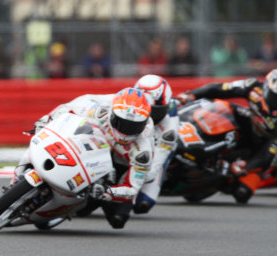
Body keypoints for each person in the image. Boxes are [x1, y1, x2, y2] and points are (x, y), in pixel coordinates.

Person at [23, 87, 154, 229]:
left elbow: (132, 188)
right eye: (122, 124)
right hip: (92, 141)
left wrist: (107, 192)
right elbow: (66, 109)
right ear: (112, 115)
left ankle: (72, 208)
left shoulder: (143, 149)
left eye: (134, 126)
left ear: (143, 124)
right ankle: (23, 171)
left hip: (120, 164)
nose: (127, 131)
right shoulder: (98, 110)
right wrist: (45, 121)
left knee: (118, 219)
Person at [176, 69, 277, 203]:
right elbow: (219, 88)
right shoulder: (252, 86)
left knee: (242, 192)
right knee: (219, 107)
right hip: (247, 121)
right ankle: (187, 132)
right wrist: (192, 95)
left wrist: (244, 167)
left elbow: (267, 155)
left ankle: (222, 179)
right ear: (267, 89)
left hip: (262, 146)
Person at [132, 74, 180, 214]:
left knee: (143, 204)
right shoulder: (126, 102)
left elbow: (155, 165)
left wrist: (135, 179)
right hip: (133, 137)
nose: (147, 115)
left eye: (152, 111)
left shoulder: (170, 127)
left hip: (157, 147)